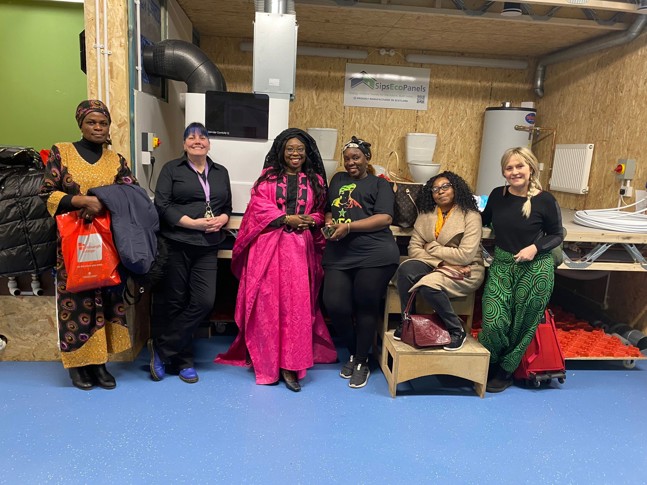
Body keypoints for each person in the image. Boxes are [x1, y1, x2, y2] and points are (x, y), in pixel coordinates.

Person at [215, 128, 337, 392]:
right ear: (281, 151)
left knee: (295, 308)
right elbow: (257, 206)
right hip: (269, 249)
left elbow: (319, 212)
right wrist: (285, 219)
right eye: (290, 148)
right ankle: (267, 363)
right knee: (268, 305)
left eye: (300, 149)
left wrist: (309, 220)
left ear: (307, 153)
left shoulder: (315, 180)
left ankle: (291, 366)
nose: (295, 153)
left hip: (299, 251)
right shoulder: (268, 178)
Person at [40, 99, 137, 391]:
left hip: (106, 244)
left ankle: (99, 364)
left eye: (103, 123)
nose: (97, 127)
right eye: (91, 122)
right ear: (80, 124)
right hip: (73, 245)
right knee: (76, 302)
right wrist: (81, 200)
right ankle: (77, 366)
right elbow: (47, 194)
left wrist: (102, 203)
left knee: (107, 300)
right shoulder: (62, 152)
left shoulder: (116, 160)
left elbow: (130, 193)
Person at [149, 122, 232, 384]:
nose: (198, 141)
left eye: (203, 137)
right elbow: (162, 205)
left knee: (204, 302)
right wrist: (191, 223)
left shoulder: (220, 172)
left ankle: (162, 349)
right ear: (184, 144)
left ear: (209, 143)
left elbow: (227, 205)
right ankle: (183, 361)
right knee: (175, 302)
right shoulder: (171, 169)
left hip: (208, 246)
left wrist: (222, 218)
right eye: (191, 137)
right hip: (176, 242)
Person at [479, 147, 563, 393]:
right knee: (494, 320)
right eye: (509, 168)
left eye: (519, 166)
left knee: (523, 322)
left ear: (530, 168)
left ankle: (506, 370)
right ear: (503, 172)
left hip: (536, 268)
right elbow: (483, 220)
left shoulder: (545, 199)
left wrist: (535, 248)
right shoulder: (497, 195)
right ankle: (490, 364)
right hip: (503, 265)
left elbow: (557, 234)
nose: (514, 172)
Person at [322, 136, 400, 389]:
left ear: (367, 159)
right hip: (339, 253)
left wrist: (349, 227)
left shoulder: (380, 184)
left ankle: (362, 360)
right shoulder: (337, 180)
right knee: (334, 304)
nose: (351, 162)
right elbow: (328, 209)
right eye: (347, 158)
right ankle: (356, 352)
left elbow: (385, 218)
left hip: (374, 253)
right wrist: (328, 223)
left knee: (365, 302)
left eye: (356, 157)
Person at [394, 171, 485, 351]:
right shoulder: (425, 216)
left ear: (456, 189)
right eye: (435, 189)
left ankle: (456, 330)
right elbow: (414, 249)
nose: (440, 192)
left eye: (445, 187)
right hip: (441, 266)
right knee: (406, 269)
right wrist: (443, 263)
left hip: (467, 270)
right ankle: (408, 321)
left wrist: (432, 247)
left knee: (429, 285)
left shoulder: (471, 216)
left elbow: (466, 255)